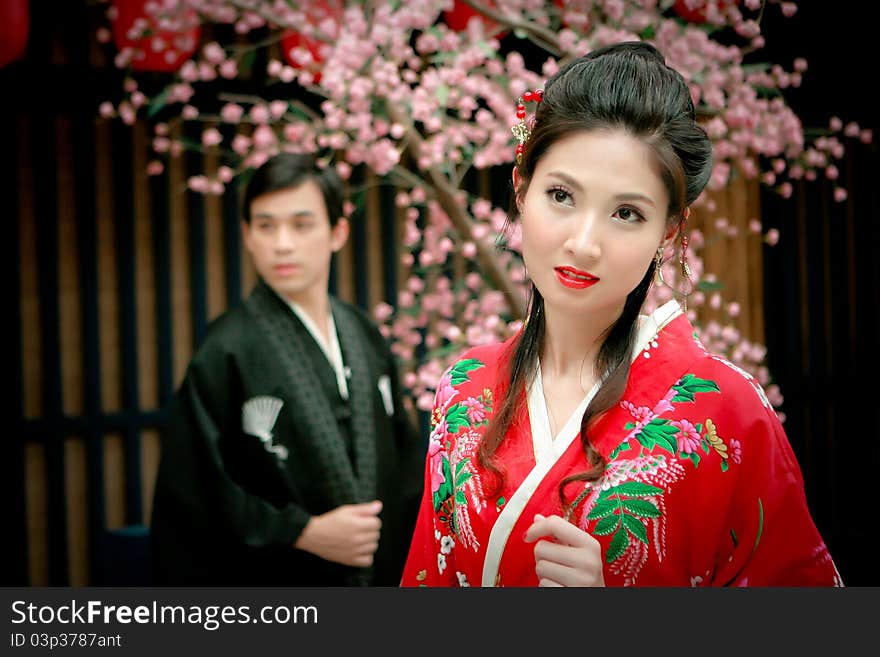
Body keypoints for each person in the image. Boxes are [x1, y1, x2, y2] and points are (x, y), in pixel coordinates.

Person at [400, 42, 841, 587]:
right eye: (561, 195)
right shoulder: (464, 389)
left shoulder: (726, 413)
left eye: (626, 213)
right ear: (521, 189)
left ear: (670, 230)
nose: (584, 244)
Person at [151, 152, 425, 586]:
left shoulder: (361, 332)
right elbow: (195, 489)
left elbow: (407, 459)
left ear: (338, 231)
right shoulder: (226, 349)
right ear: (246, 235)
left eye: (301, 224)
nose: (282, 243)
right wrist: (301, 532)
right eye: (266, 225)